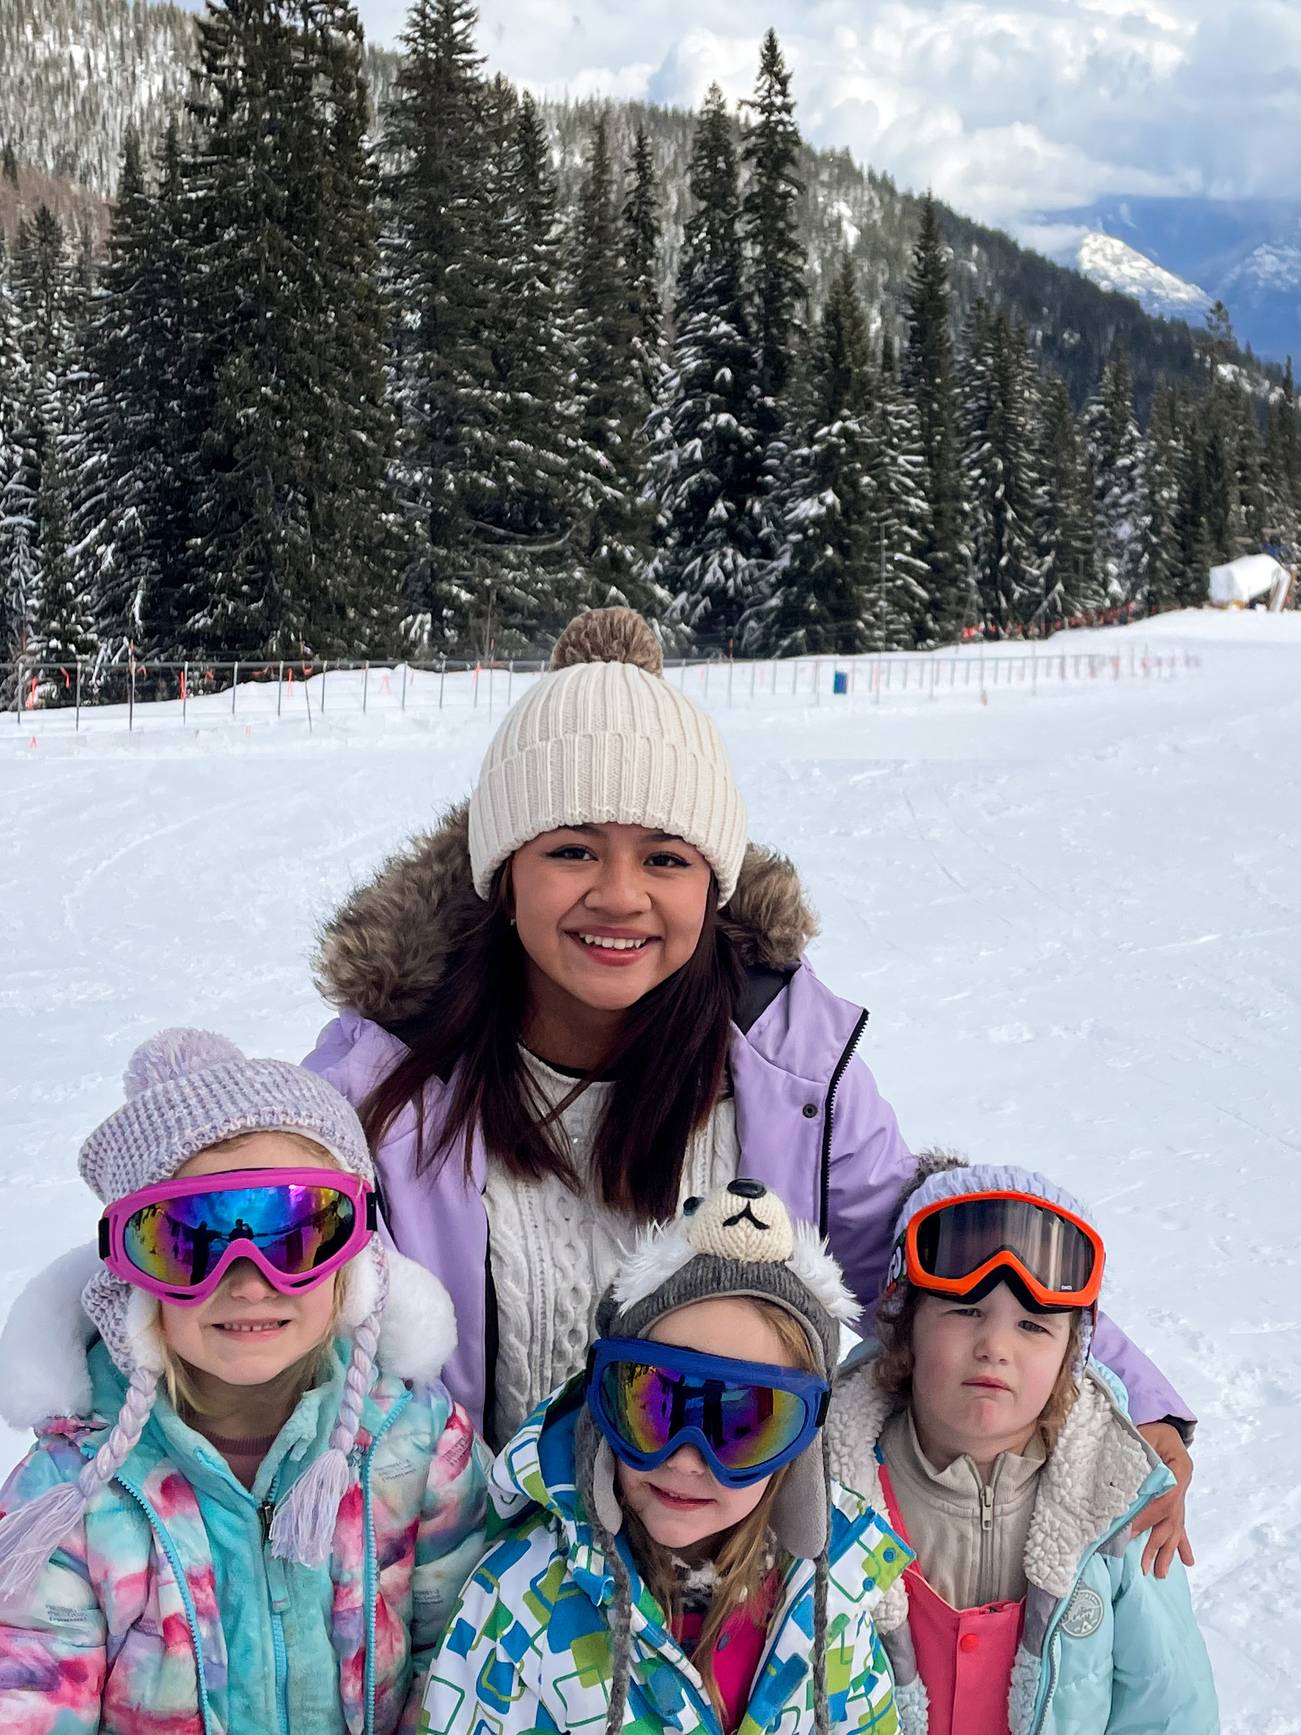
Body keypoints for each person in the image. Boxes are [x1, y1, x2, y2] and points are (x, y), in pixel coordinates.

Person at [304, 604, 1195, 1566]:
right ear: (503, 869)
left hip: (738, 1580)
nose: (618, 893)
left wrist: (1133, 1403)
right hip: (482, 1583)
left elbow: (933, 1257)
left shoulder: (781, 1061)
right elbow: (258, 1260)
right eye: (571, 847)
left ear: (711, 883)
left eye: (665, 857)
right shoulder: (389, 1083)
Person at [0, 1028, 487, 1734]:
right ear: (131, 1281)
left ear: (353, 1261)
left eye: (294, 1234)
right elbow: (30, 1698)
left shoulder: (415, 1445)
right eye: (188, 1244)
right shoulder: (72, 1493)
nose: (251, 1283)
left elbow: (459, 1664)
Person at [420, 1180, 909, 1735]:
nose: (685, 1458)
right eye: (653, 1405)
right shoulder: (518, 1607)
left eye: (743, 1423)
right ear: (604, 1405)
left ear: (798, 1447)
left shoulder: (833, 1609)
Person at [824, 1158, 1219, 1735]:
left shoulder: (1114, 1506)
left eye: (1033, 1325)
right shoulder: (833, 1490)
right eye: (966, 1310)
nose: (995, 1346)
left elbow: (1167, 1706)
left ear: (1071, 1354)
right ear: (904, 1323)